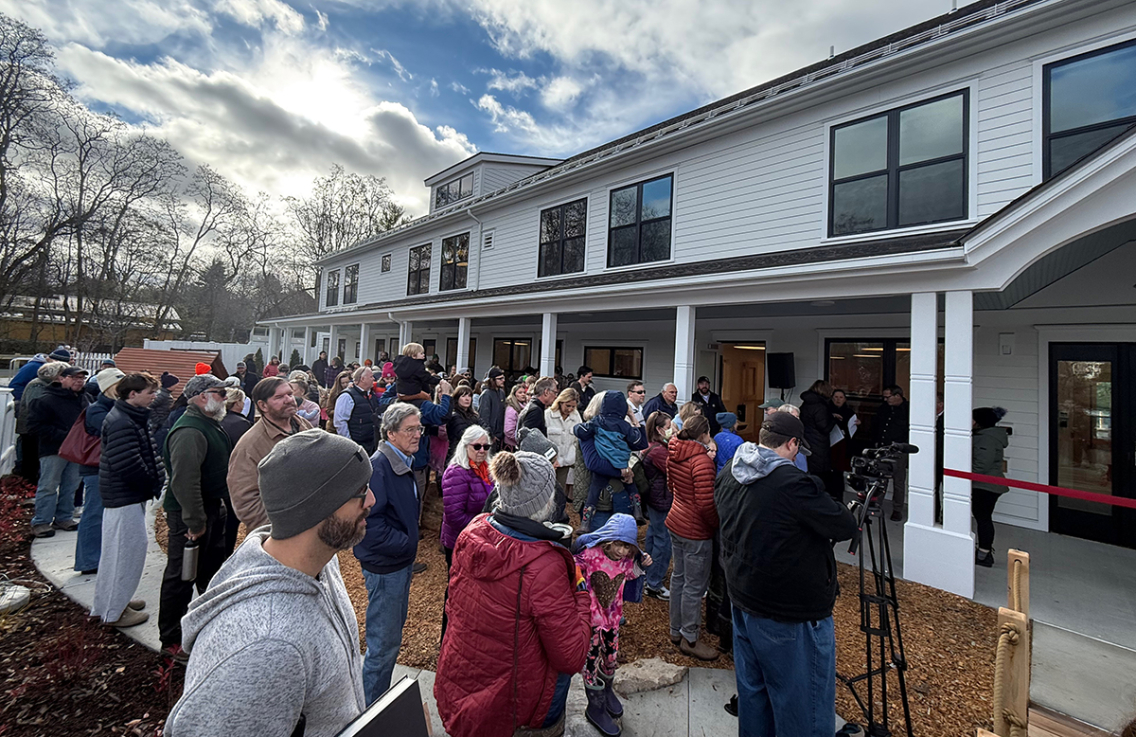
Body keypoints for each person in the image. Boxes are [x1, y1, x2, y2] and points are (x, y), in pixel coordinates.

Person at [165, 430, 372, 737]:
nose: (371, 500)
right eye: (360, 490)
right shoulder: (264, 647)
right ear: (318, 506)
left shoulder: (323, 563)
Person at [715, 411, 858, 737]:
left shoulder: (731, 470)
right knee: (801, 705)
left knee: (754, 692)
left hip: (742, 599)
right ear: (792, 443)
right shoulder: (792, 484)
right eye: (798, 447)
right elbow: (844, 525)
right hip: (787, 614)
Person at [434, 450, 591, 737]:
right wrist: (580, 592)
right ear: (546, 502)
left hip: (465, 684)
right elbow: (571, 657)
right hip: (518, 705)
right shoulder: (543, 565)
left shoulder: (473, 533)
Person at [158, 374, 233, 663]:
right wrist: (194, 521)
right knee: (181, 575)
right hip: (189, 513)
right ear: (203, 396)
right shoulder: (189, 431)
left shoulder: (208, 424)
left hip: (210, 507)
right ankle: (172, 639)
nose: (225, 398)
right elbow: (184, 481)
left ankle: (204, 628)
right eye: (221, 393)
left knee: (210, 572)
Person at [355, 402, 424, 702]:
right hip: (386, 568)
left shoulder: (401, 461)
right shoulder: (379, 467)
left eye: (419, 428)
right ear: (390, 433)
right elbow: (367, 526)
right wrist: (406, 544)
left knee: (389, 641)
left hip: (396, 563)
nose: (417, 435)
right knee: (383, 647)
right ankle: (368, 713)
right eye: (409, 429)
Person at [92, 373, 164, 629]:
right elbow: (128, 464)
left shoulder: (129, 416)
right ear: (132, 394)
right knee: (125, 553)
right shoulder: (123, 421)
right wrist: (150, 482)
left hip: (126, 495)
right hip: (125, 496)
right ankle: (115, 611)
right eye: (149, 392)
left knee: (119, 552)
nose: (154, 396)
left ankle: (111, 602)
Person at [573, 514, 651, 736]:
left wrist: (641, 564)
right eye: (619, 544)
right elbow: (573, 566)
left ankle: (606, 691)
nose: (622, 551)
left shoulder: (625, 562)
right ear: (608, 539)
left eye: (628, 547)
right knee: (591, 660)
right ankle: (594, 706)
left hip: (613, 621)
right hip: (591, 622)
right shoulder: (590, 556)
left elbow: (631, 573)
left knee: (610, 657)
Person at [665, 413, 719, 661]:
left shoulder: (674, 450)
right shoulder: (702, 462)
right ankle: (690, 637)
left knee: (679, 577)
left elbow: (671, 486)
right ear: (704, 434)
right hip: (695, 529)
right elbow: (706, 504)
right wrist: (716, 525)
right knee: (694, 586)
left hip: (675, 519)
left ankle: (675, 630)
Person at [227, 376, 313, 532]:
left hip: (311, 526)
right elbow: (245, 499)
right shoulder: (250, 445)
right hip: (278, 536)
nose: (288, 400)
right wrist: (276, 529)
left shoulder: (303, 426)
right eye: (279, 397)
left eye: (290, 394)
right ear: (263, 405)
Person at [439, 425, 494, 638]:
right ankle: (447, 638)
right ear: (465, 446)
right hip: (457, 543)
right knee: (456, 591)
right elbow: (454, 516)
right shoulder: (457, 473)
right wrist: (486, 524)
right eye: (477, 446)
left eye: (486, 446)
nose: (482, 450)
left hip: (479, 540)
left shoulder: (486, 471)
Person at [27, 365, 90, 538]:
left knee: (71, 485)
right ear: (61, 379)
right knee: (48, 485)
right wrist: (66, 436)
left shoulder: (85, 399)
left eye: (82, 378)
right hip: (53, 449)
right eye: (74, 378)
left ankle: (64, 517)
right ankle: (41, 521)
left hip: (77, 450)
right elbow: (34, 426)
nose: (79, 381)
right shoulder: (45, 400)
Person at [74, 367, 125, 574]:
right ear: (108, 388)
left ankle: (102, 556)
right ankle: (87, 560)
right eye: (119, 386)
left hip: (111, 467)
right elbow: (114, 431)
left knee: (107, 516)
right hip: (96, 469)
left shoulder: (115, 407)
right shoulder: (96, 410)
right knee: (94, 513)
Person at [575, 391, 648, 532]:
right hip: (602, 503)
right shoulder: (593, 432)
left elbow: (640, 445)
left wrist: (633, 416)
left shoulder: (598, 427)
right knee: (601, 543)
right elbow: (593, 464)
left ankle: (586, 521)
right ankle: (637, 508)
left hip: (618, 496)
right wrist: (623, 471)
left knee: (619, 542)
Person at [15, 362, 70, 483]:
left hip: (40, 429)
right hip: (30, 430)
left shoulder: (46, 385)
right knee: (31, 460)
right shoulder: (37, 385)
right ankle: (28, 487)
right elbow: (35, 407)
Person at [641, 411, 673, 600]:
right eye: (669, 428)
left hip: (654, 499)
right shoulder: (660, 451)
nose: (673, 431)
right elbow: (675, 470)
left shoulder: (651, 446)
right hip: (661, 500)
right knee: (663, 540)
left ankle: (648, 573)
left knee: (653, 534)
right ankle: (654, 583)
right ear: (660, 430)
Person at [972, 407, 1009, 568]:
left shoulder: (986, 439)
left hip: (986, 486)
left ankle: (983, 554)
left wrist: (962, 474)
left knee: (983, 518)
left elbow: (982, 465)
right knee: (983, 517)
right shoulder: (988, 436)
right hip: (986, 484)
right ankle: (984, 551)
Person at [873, 385, 910, 521]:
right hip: (883, 447)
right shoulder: (884, 409)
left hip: (899, 450)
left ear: (898, 396)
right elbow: (877, 425)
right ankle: (877, 504)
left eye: (888, 397)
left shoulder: (907, 409)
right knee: (881, 478)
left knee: (898, 481)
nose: (885, 399)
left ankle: (897, 509)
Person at [334, 366, 381, 453]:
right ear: (362, 379)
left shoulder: (371, 395)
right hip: (356, 446)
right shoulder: (347, 396)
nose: (374, 379)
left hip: (372, 445)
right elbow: (340, 422)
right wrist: (349, 445)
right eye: (371, 376)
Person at [800, 379, 837, 489]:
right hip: (819, 443)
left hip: (807, 440)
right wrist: (834, 420)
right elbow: (824, 428)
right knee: (821, 474)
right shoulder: (820, 406)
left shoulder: (806, 403)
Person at [545, 388, 581, 500]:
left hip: (565, 462)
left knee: (559, 492)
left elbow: (577, 441)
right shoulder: (548, 414)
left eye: (573, 406)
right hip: (548, 461)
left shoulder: (576, 417)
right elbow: (543, 439)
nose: (570, 409)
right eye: (568, 405)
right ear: (561, 402)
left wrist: (568, 459)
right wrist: (551, 458)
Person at [445, 386, 481, 462]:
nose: (467, 399)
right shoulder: (454, 415)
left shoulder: (474, 415)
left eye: (469, 396)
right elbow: (463, 434)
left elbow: (485, 428)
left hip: (472, 454)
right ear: (457, 398)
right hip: (458, 455)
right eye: (463, 396)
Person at [503, 383, 528, 450]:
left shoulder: (525, 407)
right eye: (520, 392)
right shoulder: (511, 410)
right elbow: (508, 430)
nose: (523, 394)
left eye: (524, 392)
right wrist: (519, 439)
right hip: (512, 446)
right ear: (514, 395)